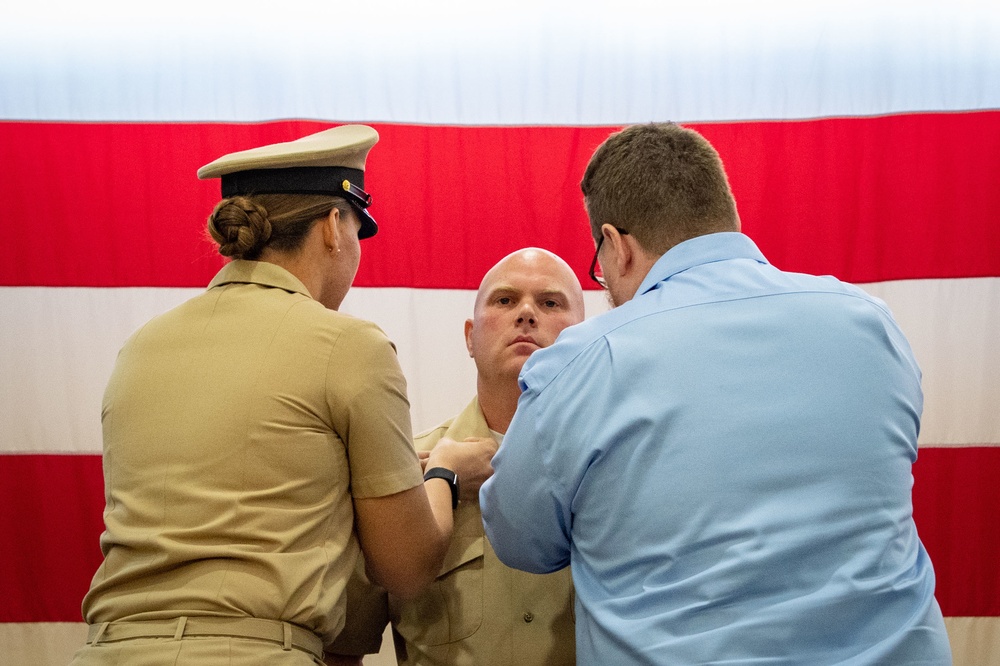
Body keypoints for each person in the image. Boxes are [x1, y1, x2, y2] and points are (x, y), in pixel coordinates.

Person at [481, 123, 953, 665]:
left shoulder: (583, 362)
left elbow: (522, 542)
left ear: (616, 245)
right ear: (723, 216)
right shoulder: (871, 323)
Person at [70, 125, 494, 665]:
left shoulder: (141, 345)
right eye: (358, 232)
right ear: (333, 228)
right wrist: (444, 474)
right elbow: (405, 567)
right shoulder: (348, 345)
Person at [389, 247, 584, 666]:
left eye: (550, 303)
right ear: (469, 337)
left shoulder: (621, 470)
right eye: (505, 300)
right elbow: (344, 649)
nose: (527, 314)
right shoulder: (401, 470)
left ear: (584, 338)